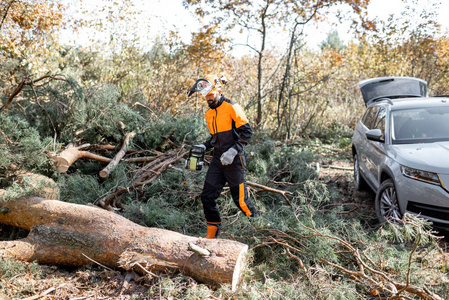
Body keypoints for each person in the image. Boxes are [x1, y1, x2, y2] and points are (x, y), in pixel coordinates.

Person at [187, 74, 259, 239]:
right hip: (218, 161)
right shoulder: (209, 114)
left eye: (211, 95)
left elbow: (247, 132)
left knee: (241, 202)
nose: (208, 99)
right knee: (207, 197)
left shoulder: (232, 107)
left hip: (235, 161)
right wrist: (204, 146)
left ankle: (261, 231)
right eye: (206, 96)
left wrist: (234, 150)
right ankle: (211, 237)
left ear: (218, 91)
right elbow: (215, 139)